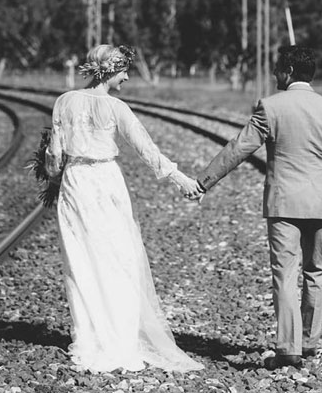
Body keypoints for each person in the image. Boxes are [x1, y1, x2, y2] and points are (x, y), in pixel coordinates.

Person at [45, 43, 204, 374]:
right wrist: (181, 180)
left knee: (81, 259)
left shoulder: (64, 102)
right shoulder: (116, 107)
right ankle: (120, 335)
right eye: (124, 71)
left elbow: (54, 158)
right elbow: (147, 149)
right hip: (106, 183)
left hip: (75, 183)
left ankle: (89, 337)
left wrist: (53, 177)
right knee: (120, 257)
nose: (127, 77)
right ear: (111, 72)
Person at [188, 44, 322, 370]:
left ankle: (289, 348)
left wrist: (204, 181)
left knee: (286, 274)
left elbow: (239, 148)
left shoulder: (271, 107)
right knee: (316, 272)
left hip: (284, 205)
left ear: (288, 72)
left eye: (277, 68)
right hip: (320, 204)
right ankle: (309, 341)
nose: (274, 73)